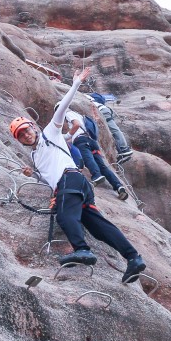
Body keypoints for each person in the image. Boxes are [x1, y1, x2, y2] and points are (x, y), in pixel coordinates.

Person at [9, 67, 146, 283]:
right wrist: (32, 175)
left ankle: (82, 249)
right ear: (19, 140)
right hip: (76, 183)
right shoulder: (35, 156)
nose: (26, 135)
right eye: (21, 135)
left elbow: (62, 108)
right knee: (98, 226)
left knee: (65, 216)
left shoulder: (50, 134)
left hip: (69, 180)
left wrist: (76, 84)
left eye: (26, 130)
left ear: (33, 128)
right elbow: (48, 178)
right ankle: (133, 258)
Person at [62, 110, 129, 199]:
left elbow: (76, 125)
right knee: (102, 166)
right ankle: (119, 187)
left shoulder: (68, 114)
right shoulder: (81, 116)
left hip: (82, 141)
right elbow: (77, 134)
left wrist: (65, 136)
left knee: (87, 159)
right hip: (92, 141)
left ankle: (96, 175)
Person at [89, 93, 133, 163]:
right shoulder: (92, 97)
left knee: (114, 130)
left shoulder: (87, 97)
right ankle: (121, 150)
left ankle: (124, 149)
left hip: (102, 111)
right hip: (103, 110)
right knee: (111, 131)